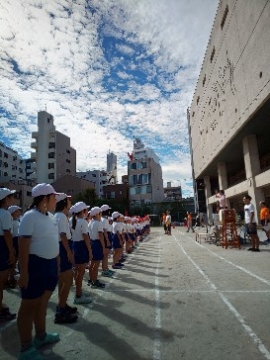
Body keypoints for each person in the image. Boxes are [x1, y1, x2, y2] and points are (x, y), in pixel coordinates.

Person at [17, 183, 60, 360]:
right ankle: (26, 348)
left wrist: (56, 262)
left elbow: (53, 240)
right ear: (44, 199)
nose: (56, 200)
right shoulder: (29, 217)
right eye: (53, 197)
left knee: (42, 302)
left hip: (50, 265)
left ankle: (41, 336)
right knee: (29, 306)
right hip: (35, 266)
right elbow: (23, 245)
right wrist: (24, 272)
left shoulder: (50, 217)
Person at [54, 193, 78, 324]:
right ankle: (61, 310)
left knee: (62, 281)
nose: (70, 202)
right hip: (63, 248)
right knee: (68, 279)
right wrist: (69, 252)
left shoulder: (58, 216)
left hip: (61, 247)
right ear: (63, 203)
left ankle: (62, 304)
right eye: (68, 200)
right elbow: (63, 235)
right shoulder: (61, 216)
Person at [71, 202, 92, 304]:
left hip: (74, 246)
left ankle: (79, 291)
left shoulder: (72, 220)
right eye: (86, 210)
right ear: (83, 211)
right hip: (81, 247)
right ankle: (78, 295)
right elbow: (86, 237)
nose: (87, 212)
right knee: (81, 272)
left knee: (77, 272)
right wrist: (90, 251)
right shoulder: (83, 222)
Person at [0, 188, 16, 322]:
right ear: (6, 199)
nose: (13, 198)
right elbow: (6, 234)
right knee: (1, 278)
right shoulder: (5, 214)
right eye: (11, 196)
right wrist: (11, 250)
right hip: (2, 246)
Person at [88, 207, 106, 288]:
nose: (101, 215)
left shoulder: (90, 223)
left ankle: (91, 279)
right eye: (100, 213)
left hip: (91, 242)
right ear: (97, 214)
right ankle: (94, 281)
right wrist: (103, 247)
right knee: (96, 264)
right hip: (97, 243)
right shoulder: (98, 223)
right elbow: (100, 235)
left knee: (92, 263)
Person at [6, 205, 21, 288]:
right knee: (12, 262)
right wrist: (13, 247)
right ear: (13, 212)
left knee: (14, 262)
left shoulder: (17, 221)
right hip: (14, 241)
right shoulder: (11, 221)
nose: (19, 212)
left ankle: (11, 278)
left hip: (17, 241)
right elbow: (10, 235)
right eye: (17, 211)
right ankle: (9, 279)